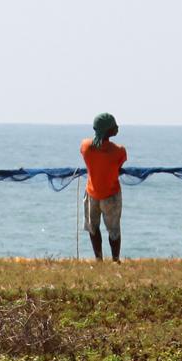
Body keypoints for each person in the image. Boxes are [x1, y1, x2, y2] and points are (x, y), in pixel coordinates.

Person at [81, 112, 127, 262]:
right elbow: (119, 163)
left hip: (92, 194)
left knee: (93, 228)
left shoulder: (86, 147)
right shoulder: (119, 151)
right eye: (114, 125)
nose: (117, 127)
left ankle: (98, 259)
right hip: (111, 195)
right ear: (108, 130)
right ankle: (115, 260)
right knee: (114, 230)